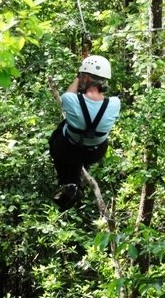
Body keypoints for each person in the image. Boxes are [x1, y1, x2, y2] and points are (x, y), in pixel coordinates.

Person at [48, 55, 120, 211]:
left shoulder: (71, 100)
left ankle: (69, 184)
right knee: (82, 147)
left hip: (67, 150)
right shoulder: (114, 103)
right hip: (95, 152)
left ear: (85, 79)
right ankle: (73, 185)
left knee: (59, 136)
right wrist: (85, 76)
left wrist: (78, 76)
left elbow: (68, 94)